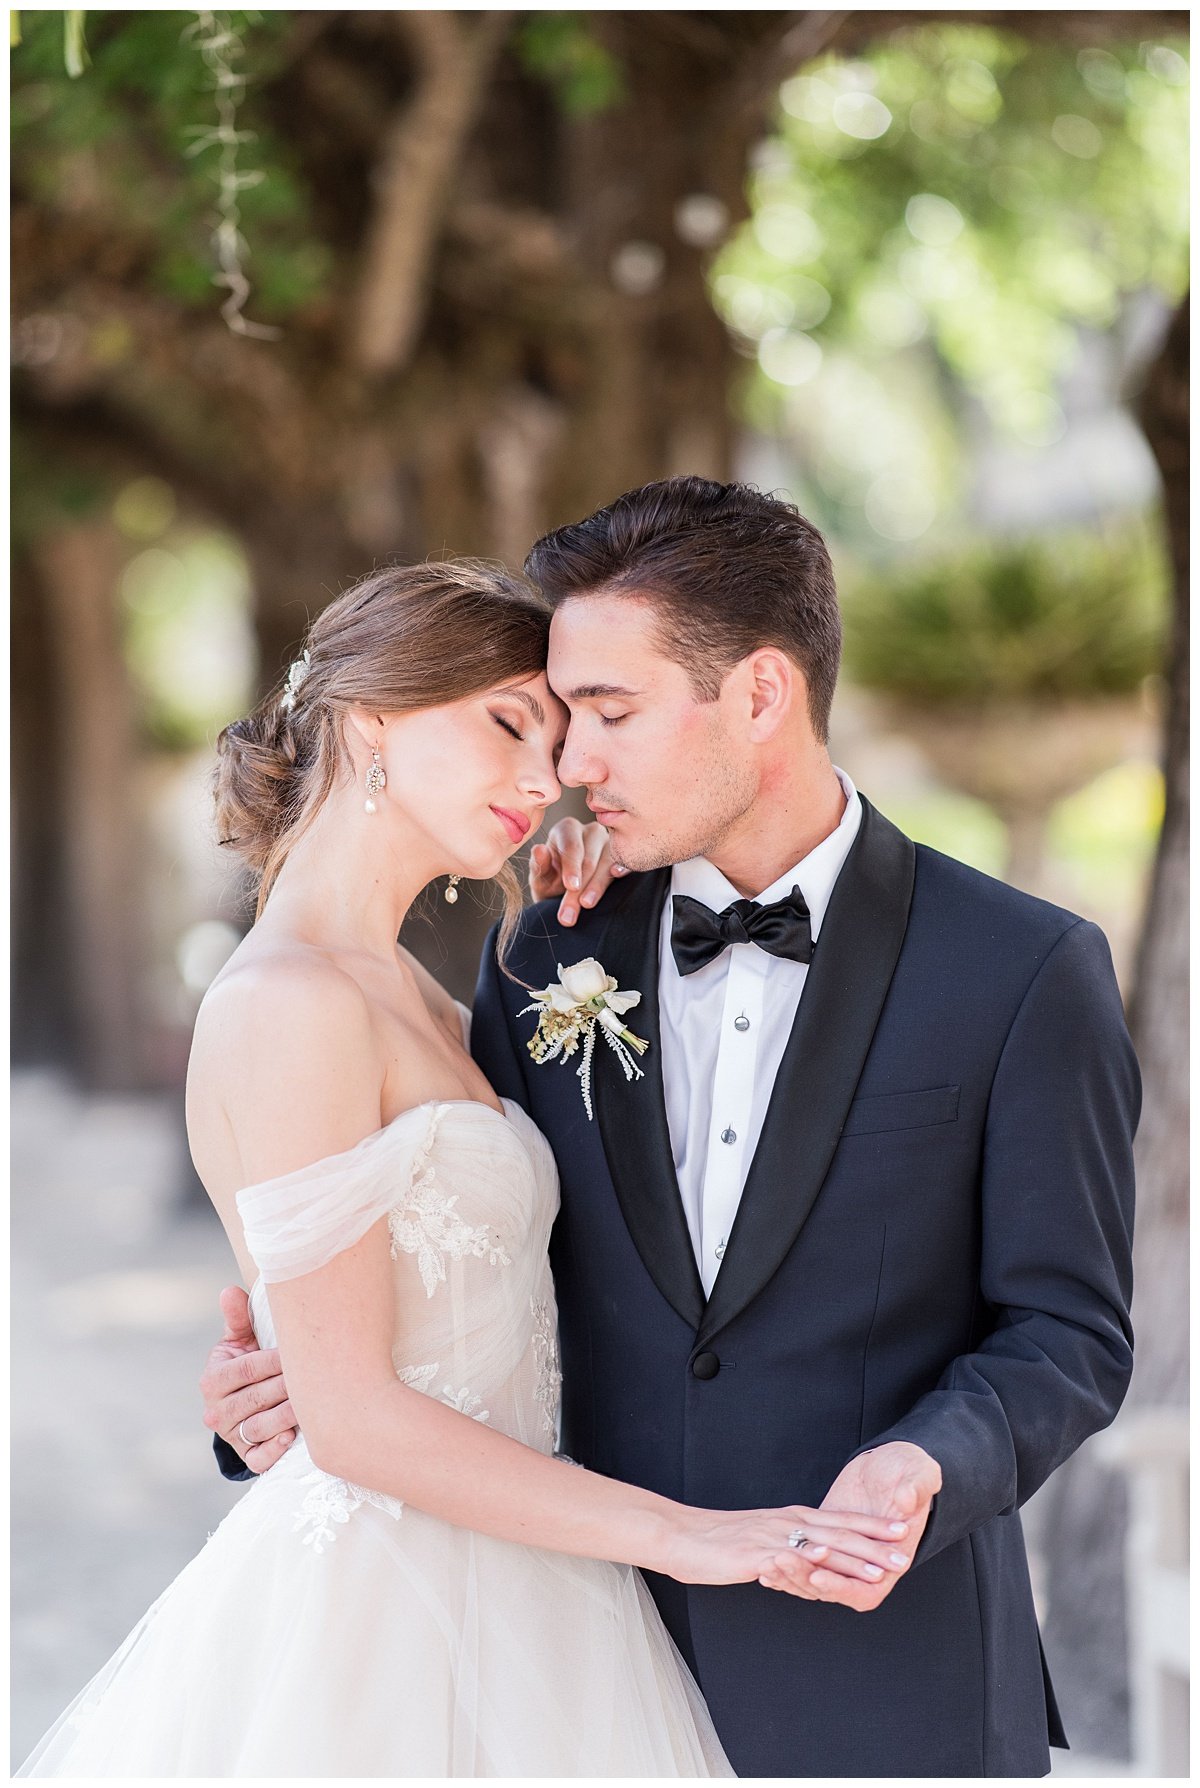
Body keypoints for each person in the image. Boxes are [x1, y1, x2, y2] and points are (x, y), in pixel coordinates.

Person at [203, 479, 1140, 1778]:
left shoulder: (1023, 969)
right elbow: (459, 1237)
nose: (567, 771)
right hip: (565, 1664)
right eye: (553, 718)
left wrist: (929, 1463)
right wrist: (283, 1385)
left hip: (885, 1685)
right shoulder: (545, 946)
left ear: (760, 696)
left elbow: (1069, 1330)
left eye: (608, 713)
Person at [19, 558, 911, 1778]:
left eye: (559, 742)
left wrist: (586, 926)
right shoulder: (283, 1003)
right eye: (508, 727)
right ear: (372, 716)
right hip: (386, 1608)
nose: (546, 782)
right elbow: (355, 1417)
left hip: (535, 1577)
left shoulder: (446, 998)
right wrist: (690, 1538)